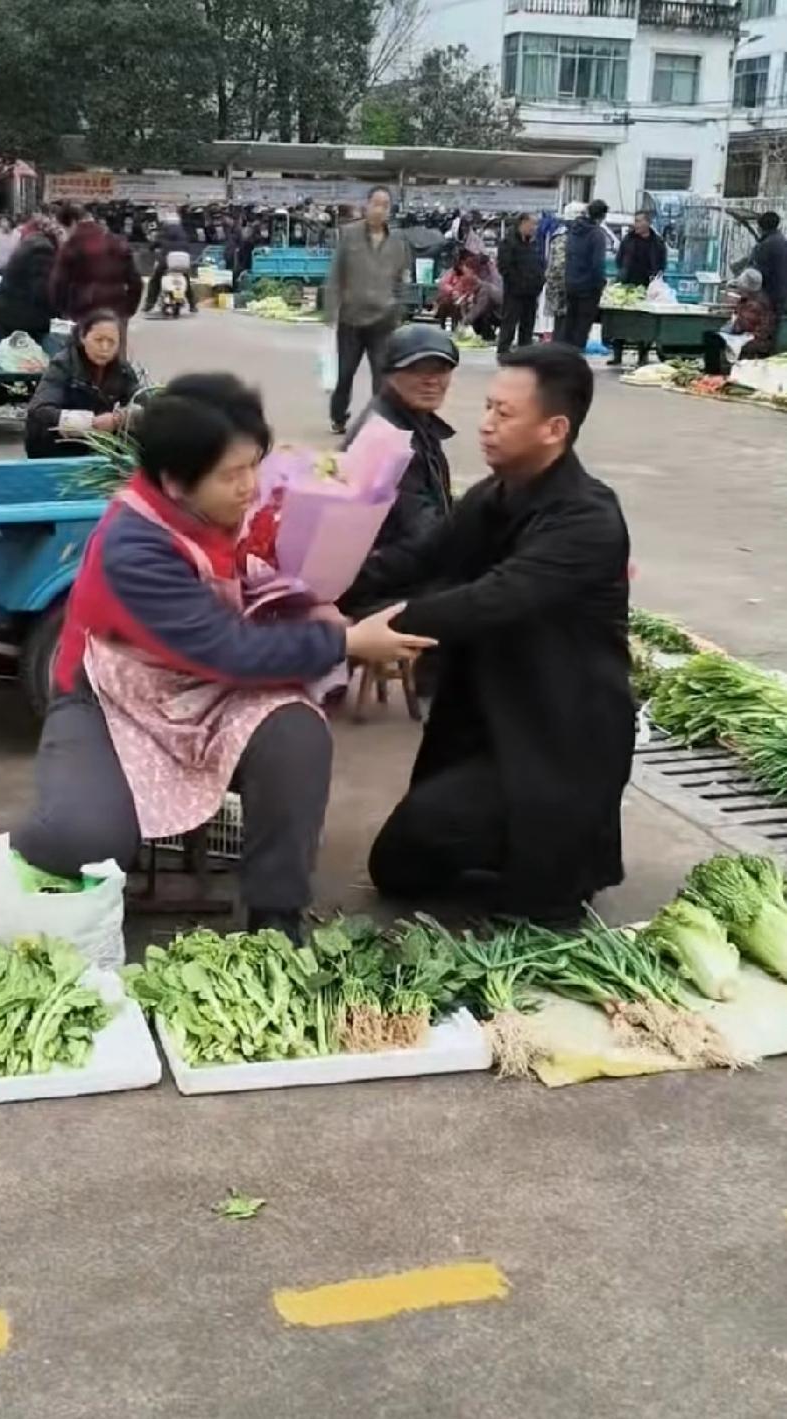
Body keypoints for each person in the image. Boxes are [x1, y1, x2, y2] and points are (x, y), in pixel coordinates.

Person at [12, 374, 432, 941]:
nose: (249, 486)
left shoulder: (229, 507)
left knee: (296, 735)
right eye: (232, 475)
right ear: (174, 482)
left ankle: (275, 915)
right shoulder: (134, 547)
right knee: (84, 837)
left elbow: (270, 582)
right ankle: (34, 843)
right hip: (113, 697)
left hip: (211, 687)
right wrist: (347, 643)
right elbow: (228, 649)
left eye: (254, 465)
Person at [358, 344, 634, 924]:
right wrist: (316, 588)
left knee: (536, 898)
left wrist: (374, 630)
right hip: (489, 715)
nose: (484, 424)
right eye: (487, 406)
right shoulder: (493, 495)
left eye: (504, 413)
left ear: (554, 429)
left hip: (559, 733)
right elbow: (418, 558)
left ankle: (550, 858)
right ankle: (507, 843)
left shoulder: (587, 519)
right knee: (398, 868)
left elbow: (491, 599)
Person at [339, 326, 457, 618]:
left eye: (441, 369)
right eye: (417, 369)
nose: (431, 380)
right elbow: (423, 538)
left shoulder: (412, 423)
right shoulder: (390, 440)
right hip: (381, 590)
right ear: (389, 373)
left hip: (393, 577)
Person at [325, 186, 411, 435]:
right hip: (351, 319)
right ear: (366, 205)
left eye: (385, 205)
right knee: (345, 374)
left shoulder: (398, 242)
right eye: (376, 204)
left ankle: (379, 420)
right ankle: (338, 417)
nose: (379, 210)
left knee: (382, 376)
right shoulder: (349, 235)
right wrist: (331, 311)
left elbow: (402, 280)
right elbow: (336, 274)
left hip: (383, 321)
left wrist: (398, 310)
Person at [25, 310, 141, 459]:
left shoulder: (123, 370)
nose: (105, 347)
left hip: (103, 448)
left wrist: (119, 419)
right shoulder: (63, 365)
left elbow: (146, 405)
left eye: (111, 342)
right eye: (98, 340)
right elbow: (39, 410)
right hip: (60, 448)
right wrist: (90, 423)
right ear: (83, 337)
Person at [50, 211, 143, 326]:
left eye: (62, 230)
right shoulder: (117, 242)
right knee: (113, 336)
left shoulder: (71, 246)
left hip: (84, 310)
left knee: (89, 337)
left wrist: (64, 311)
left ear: (72, 223)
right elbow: (135, 281)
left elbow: (59, 284)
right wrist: (128, 309)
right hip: (116, 309)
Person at [608, 211, 667, 368]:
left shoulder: (657, 242)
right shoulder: (628, 239)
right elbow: (619, 259)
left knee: (644, 322)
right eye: (635, 221)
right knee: (621, 321)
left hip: (647, 286)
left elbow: (662, 263)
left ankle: (643, 354)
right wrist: (622, 273)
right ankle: (617, 354)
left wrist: (655, 278)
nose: (636, 224)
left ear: (648, 223)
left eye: (639, 221)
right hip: (627, 283)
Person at [0, 215, 61, 341]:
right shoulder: (42, 249)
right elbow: (42, 290)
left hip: (12, 312)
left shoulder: (31, 244)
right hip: (23, 317)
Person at [703, 268, 775, 376]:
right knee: (714, 336)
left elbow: (742, 326)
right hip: (749, 335)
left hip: (753, 338)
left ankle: (713, 374)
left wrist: (732, 323)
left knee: (712, 339)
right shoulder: (753, 298)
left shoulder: (755, 303)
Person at [563, 198, 609, 352]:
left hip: (571, 282)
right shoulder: (597, 234)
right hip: (588, 286)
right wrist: (601, 283)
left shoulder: (573, 230)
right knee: (583, 323)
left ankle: (565, 352)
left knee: (570, 320)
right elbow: (597, 263)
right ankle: (576, 353)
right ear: (602, 216)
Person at [496, 213, 544, 354]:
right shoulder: (508, 242)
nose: (534, 228)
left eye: (535, 225)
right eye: (531, 224)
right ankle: (503, 350)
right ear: (522, 223)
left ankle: (525, 350)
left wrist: (539, 281)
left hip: (531, 291)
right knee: (510, 322)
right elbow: (504, 267)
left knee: (528, 323)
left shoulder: (533, 244)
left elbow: (539, 264)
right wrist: (518, 282)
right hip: (514, 291)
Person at [545, 202, 584, 342]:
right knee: (563, 322)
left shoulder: (574, 236)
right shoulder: (563, 237)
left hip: (568, 286)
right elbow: (559, 266)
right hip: (563, 288)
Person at [748, 210, 787, 318]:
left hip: (768, 299)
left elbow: (755, 274)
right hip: (782, 298)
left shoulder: (765, 246)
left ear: (760, 227)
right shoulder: (783, 242)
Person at [435, 250, 478, 330]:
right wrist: (452, 291)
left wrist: (467, 295)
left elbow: (473, 287)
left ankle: (457, 326)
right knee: (445, 303)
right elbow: (444, 284)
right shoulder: (452, 272)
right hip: (452, 297)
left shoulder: (471, 274)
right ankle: (442, 325)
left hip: (464, 299)